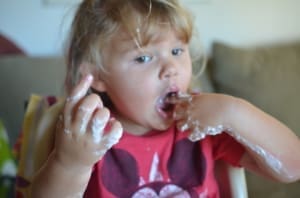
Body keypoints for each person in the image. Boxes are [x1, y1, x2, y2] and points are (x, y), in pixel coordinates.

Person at [28, 0, 300, 197]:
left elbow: (292, 166)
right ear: (96, 75)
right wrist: (71, 163)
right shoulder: (86, 134)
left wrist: (234, 112)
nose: (171, 68)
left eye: (177, 50)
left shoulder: (202, 125)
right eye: (144, 57)